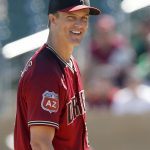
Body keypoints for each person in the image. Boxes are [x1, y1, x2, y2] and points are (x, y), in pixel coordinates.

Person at [14, 0, 100, 150]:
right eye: (71, 17)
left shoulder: (70, 62)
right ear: (53, 19)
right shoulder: (44, 73)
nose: (79, 24)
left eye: (84, 18)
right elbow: (40, 144)